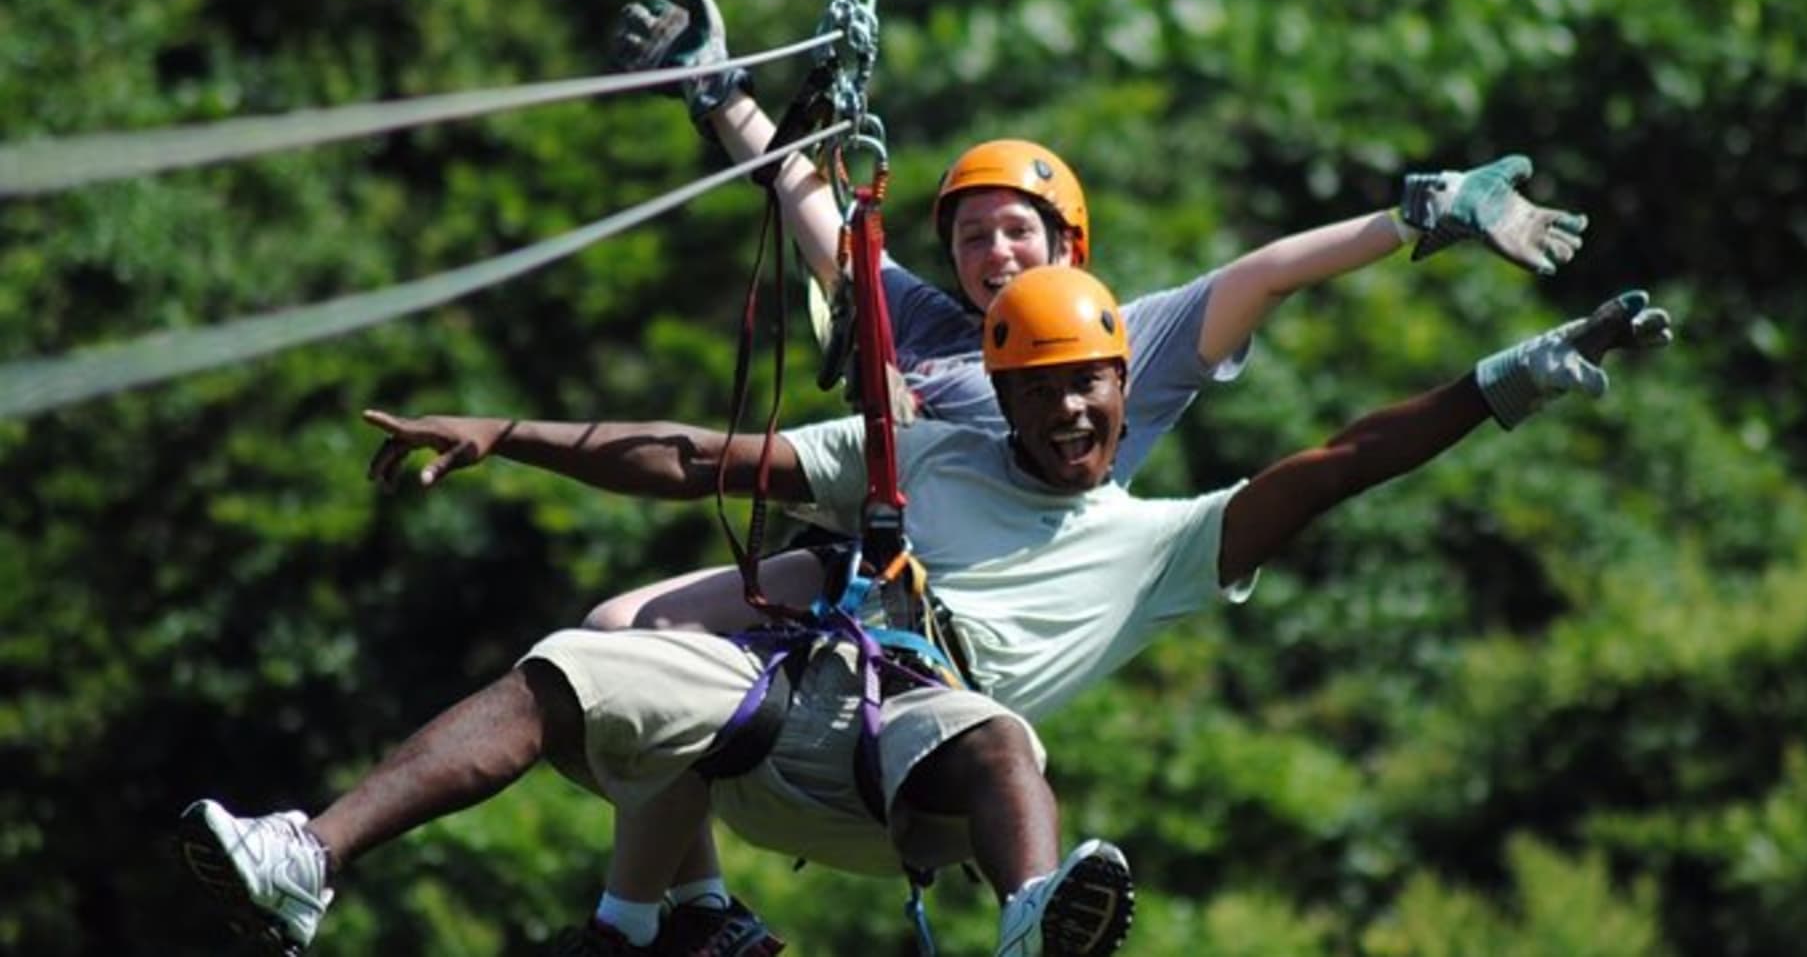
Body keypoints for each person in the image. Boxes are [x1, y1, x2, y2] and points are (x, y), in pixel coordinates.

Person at [180, 266, 1673, 957]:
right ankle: (311, 856)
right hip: (792, 700)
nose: (1079, 408)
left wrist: (1507, 379)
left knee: (996, 733)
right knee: (575, 668)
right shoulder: (923, 452)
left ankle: (1033, 920)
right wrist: (508, 433)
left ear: (1123, 393)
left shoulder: (1159, 540)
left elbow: (1340, 460)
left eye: (1098, 384)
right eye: (1047, 389)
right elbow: (703, 458)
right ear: (1006, 393)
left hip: (917, 789)